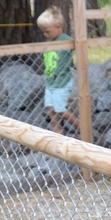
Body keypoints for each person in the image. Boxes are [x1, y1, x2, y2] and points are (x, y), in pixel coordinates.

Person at [37, 7, 80, 136]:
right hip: (50, 82)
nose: (45, 34)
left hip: (62, 81)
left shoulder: (66, 40)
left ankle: (81, 126)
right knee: (51, 109)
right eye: (43, 32)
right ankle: (58, 133)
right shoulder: (49, 42)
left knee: (60, 108)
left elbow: (77, 45)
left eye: (47, 31)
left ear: (59, 26)